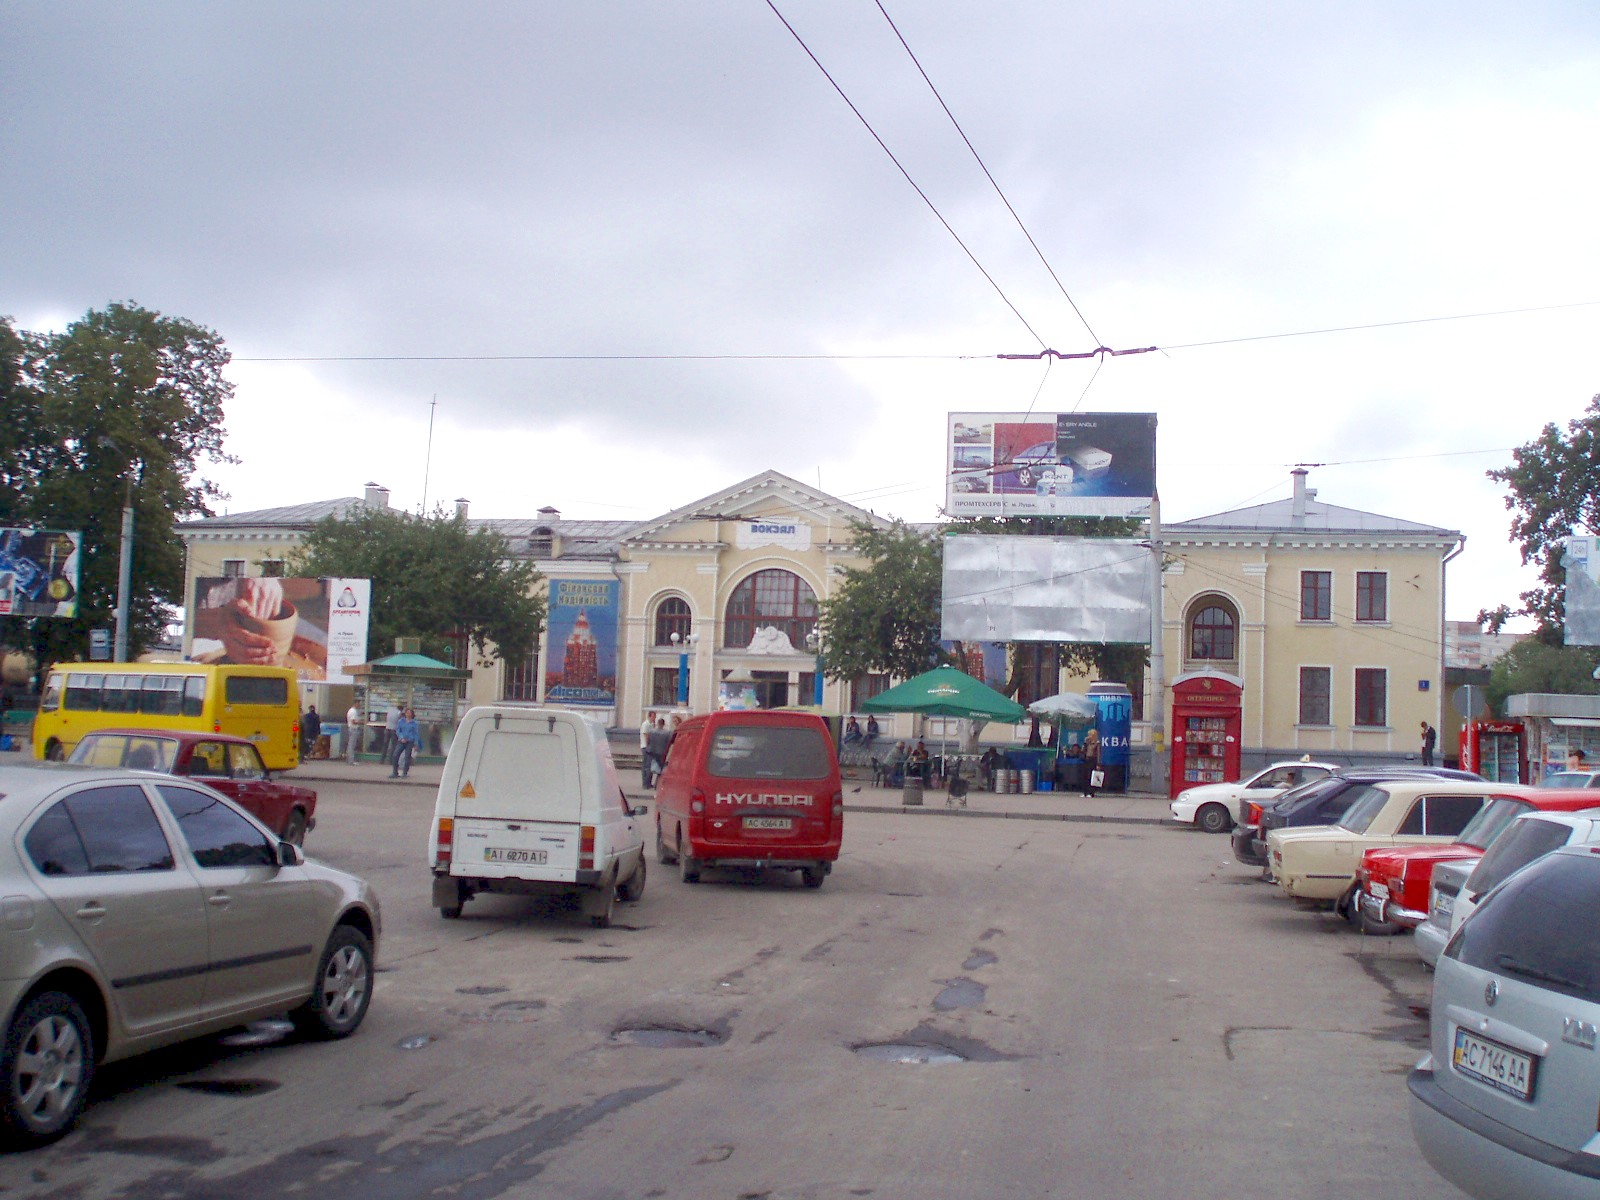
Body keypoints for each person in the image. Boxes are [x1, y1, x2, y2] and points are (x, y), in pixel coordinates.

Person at [391, 707, 419, 778]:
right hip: (401, 741)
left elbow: (416, 733)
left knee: (407, 757)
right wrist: (401, 737)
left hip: (410, 741)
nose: (408, 714)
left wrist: (416, 743)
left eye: (409, 713)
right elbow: (398, 730)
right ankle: (395, 772)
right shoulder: (401, 721)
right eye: (407, 713)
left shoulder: (414, 723)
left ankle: (405, 773)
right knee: (395, 755)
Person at [646, 718, 672, 788]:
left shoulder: (651, 731)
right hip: (661, 752)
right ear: (663, 724)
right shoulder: (667, 733)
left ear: (658, 723)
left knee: (650, 768)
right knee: (660, 769)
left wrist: (648, 747)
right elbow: (668, 742)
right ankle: (657, 784)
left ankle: (647, 784)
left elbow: (648, 740)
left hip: (652, 751)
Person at [1082, 727, 1101, 797]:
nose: (1089, 736)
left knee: (1091, 776)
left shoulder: (1097, 743)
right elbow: (1083, 750)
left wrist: (1098, 764)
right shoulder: (1087, 743)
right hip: (1087, 759)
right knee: (1085, 776)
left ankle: (1091, 792)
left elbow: (1098, 754)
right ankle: (1085, 792)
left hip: (1093, 760)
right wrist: (1085, 743)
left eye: (1090, 735)